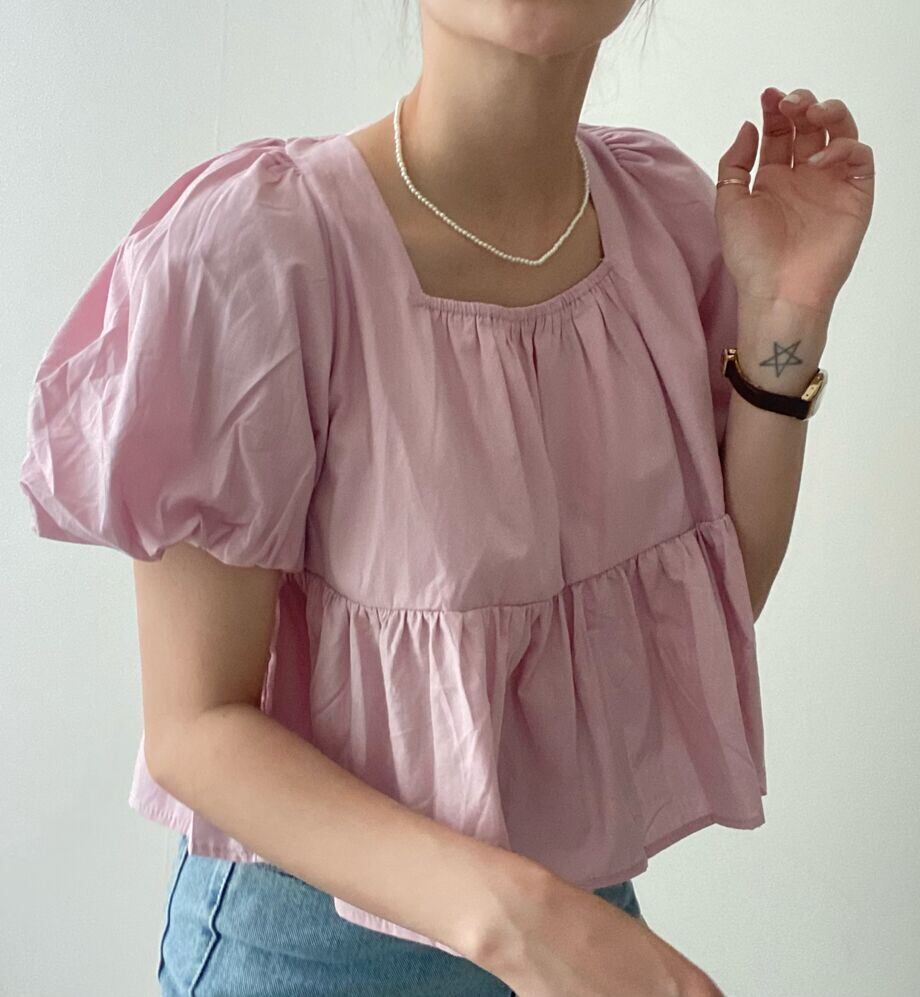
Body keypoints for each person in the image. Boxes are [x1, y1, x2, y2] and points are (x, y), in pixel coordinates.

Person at [17, 1, 874, 994]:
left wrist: (785, 314)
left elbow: (708, 607)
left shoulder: (662, 220)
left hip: (567, 920)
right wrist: (523, 917)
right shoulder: (257, 252)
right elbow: (194, 730)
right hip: (317, 949)